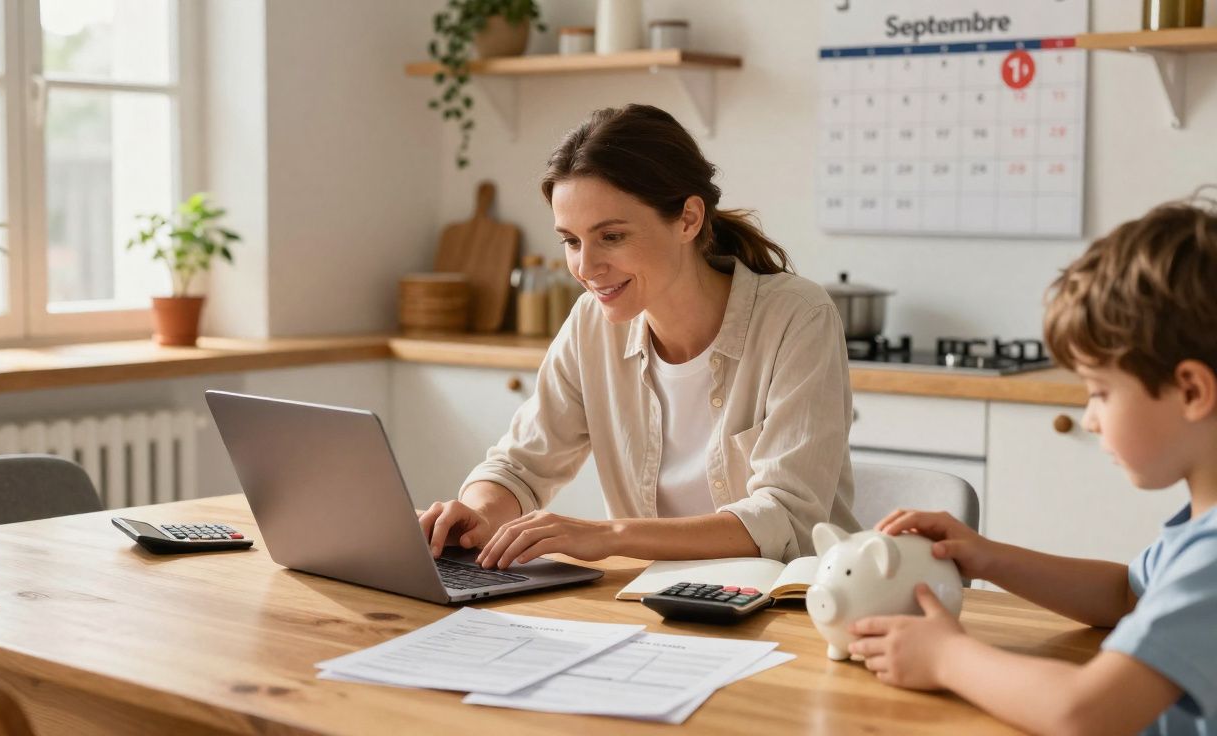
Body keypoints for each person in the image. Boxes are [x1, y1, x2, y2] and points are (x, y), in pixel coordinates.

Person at [419, 104, 858, 569]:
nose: (586, 269)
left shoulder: (797, 317)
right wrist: (479, 514)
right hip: (654, 607)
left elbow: (786, 518)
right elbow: (520, 466)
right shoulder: (591, 324)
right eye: (571, 241)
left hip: (792, 609)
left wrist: (609, 536)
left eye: (611, 237)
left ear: (688, 219)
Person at [848, 197, 1217, 735]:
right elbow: (1125, 594)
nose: (1090, 419)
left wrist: (948, 658)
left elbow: (1082, 713)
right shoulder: (1200, 531)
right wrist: (987, 557)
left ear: (1190, 390)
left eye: (1100, 393)